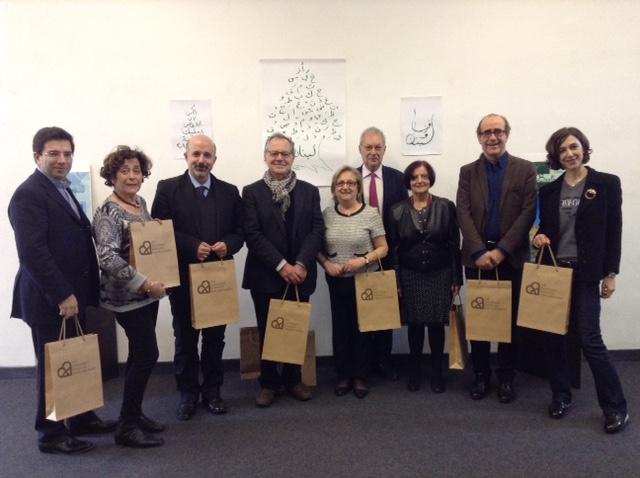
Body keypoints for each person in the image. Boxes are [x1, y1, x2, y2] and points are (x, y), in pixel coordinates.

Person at [8, 127, 117, 454]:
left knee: (75, 358)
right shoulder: (29, 194)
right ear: (37, 157)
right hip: (50, 299)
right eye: (53, 153)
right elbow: (32, 252)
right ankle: (51, 435)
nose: (62, 159)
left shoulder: (61, 188)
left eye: (67, 154)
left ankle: (80, 418)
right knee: (54, 367)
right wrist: (62, 294)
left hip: (72, 294)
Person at [532, 127, 629, 433]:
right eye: (562, 150)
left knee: (590, 339)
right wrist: (539, 237)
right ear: (556, 156)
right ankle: (561, 395)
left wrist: (610, 274)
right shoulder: (549, 190)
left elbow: (614, 230)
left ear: (583, 148)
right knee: (554, 337)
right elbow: (543, 229)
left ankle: (615, 407)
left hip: (586, 274)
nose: (569, 154)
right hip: (556, 272)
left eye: (573, 147)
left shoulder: (606, 183)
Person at [152, 135, 244, 420]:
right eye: (196, 154)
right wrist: (192, 246)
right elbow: (159, 230)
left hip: (218, 278)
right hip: (183, 278)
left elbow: (241, 231)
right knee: (186, 338)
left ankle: (213, 391)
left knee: (215, 339)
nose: (201, 160)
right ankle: (188, 393)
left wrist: (229, 244)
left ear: (214, 159)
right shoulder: (168, 189)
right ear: (186, 157)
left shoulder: (230, 192)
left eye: (207, 155)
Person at [456, 114, 537, 403]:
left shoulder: (525, 169)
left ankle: (506, 377)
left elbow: (527, 213)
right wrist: (479, 251)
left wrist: (502, 251)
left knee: (509, 323)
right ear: (479, 137)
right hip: (477, 260)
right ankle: (481, 375)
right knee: (480, 320)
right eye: (487, 132)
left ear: (507, 135)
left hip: (510, 259)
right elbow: (463, 212)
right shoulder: (468, 172)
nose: (493, 137)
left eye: (498, 131)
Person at [242, 132, 325, 408]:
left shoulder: (309, 191)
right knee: (268, 330)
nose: (279, 158)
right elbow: (252, 235)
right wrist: (281, 265)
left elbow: (317, 231)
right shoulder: (252, 192)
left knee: (294, 328)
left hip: (301, 274)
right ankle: (268, 383)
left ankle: (293, 380)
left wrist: (300, 264)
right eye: (274, 153)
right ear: (265, 157)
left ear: (293, 157)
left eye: (285, 153)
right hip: (266, 274)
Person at [92, 146, 166, 448]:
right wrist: (144, 283)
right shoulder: (108, 212)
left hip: (147, 295)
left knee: (138, 354)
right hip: (125, 298)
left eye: (137, 170)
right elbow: (108, 258)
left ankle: (134, 414)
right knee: (148, 354)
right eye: (125, 170)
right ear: (113, 176)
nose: (132, 176)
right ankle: (126, 425)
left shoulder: (140, 203)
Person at [388, 161, 462, 394]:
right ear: (408, 182)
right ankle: (416, 370)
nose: (419, 181)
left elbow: (454, 244)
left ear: (430, 179)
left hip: (440, 273)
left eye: (424, 176)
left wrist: (456, 278)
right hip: (410, 275)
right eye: (414, 177)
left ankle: (437, 371)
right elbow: (394, 248)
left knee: (437, 324)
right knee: (415, 325)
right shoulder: (396, 210)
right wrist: (396, 280)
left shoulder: (446, 206)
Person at [318, 166, 388, 399]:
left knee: (362, 329)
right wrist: (326, 264)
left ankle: (360, 376)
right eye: (340, 183)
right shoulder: (326, 214)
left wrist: (363, 261)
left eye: (351, 183)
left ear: (358, 188)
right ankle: (343, 375)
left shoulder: (371, 214)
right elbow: (316, 248)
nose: (345, 187)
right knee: (340, 329)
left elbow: (383, 248)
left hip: (364, 280)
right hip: (336, 281)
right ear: (334, 188)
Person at [357, 126, 408, 381]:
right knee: (361, 310)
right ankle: (362, 363)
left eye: (378, 147)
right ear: (360, 150)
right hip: (358, 256)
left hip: (389, 254)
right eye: (368, 147)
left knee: (386, 310)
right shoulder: (350, 178)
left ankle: (383, 361)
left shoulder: (398, 179)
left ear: (385, 150)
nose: (373, 152)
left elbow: (405, 217)